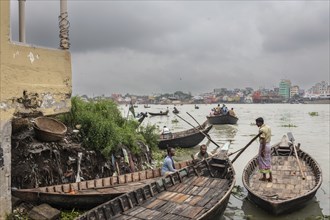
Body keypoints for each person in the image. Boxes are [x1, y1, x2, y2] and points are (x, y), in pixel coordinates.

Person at [256, 117, 272, 182]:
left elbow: (263, 140)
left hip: (264, 146)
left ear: (260, 122)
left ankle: (264, 177)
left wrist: (262, 150)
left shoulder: (262, 130)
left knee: (262, 161)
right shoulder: (268, 127)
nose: (256, 124)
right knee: (267, 161)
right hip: (269, 145)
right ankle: (270, 177)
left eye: (257, 123)